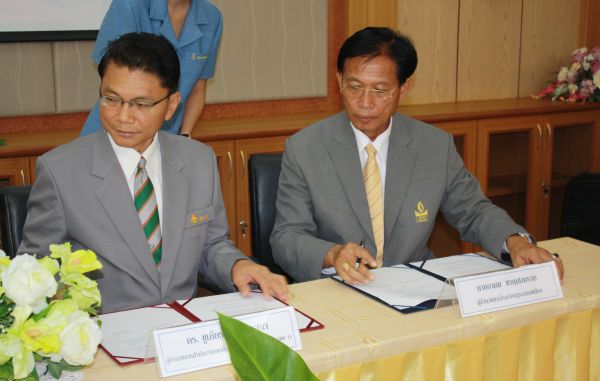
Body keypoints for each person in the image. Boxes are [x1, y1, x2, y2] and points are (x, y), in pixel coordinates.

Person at [270, 27, 564, 285]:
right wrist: (332, 254)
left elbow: (474, 210)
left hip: (414, 287)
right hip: (336, 290)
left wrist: (516, 241)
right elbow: (287, 237)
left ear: (404, 89)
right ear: (339, 80)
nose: (365, 103)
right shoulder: (305, 148)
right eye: (354, 87)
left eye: (380, 90)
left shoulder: (434, 146)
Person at [19, 32, 287, 313]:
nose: (123, 116)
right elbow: (34, 273)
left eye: (141, 104)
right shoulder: (60, 171)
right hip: (104, 331)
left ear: (171, 105)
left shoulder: (199, 160)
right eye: (111, 99)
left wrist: (236, 265)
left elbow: (211, 244)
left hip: (183, 325)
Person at [80, 0, 221, 137]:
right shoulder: (129, 4)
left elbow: (197, 90)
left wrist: (185, 136)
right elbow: (113, 78)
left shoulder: (212, 17)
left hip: (167, 138)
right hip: (115, 131)